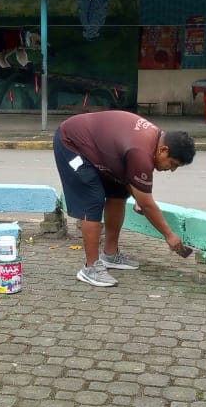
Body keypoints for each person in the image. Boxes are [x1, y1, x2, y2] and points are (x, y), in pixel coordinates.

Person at [53, 110, 196, 287]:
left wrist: (139, 196)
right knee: (93, 198)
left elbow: (136, 185)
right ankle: (90, 268)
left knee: (119, 192)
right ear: (163, 150)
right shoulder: (141, 152)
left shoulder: (153, 142)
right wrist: (169, 235)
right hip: (71, 143)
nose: (172, 170)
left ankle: (110, 255)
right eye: (173, 163)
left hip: (99, 148)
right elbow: (147, 204)